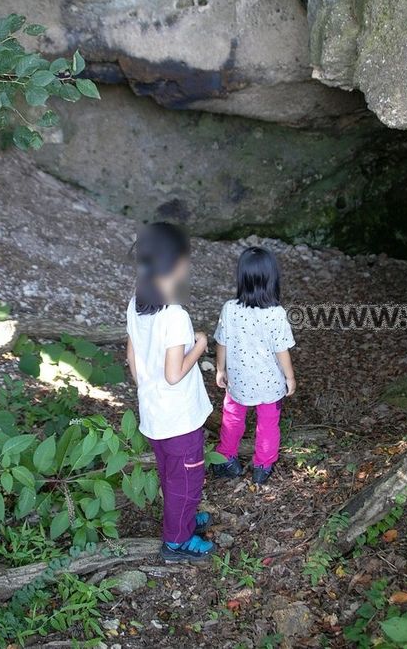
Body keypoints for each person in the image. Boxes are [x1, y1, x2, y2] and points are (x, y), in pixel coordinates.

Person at [125, 223, 215, 562]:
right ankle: (178, 540)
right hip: (179, 419)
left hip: (154, 413)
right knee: (187, 480)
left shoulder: (136, 305)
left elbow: (131, 356)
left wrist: (146, 387)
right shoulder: (175, 316)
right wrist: (201, 344)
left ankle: (183, 518)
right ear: (176, 263)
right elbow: (175, 373)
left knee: (170, 474)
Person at [212, 246, 296, 485]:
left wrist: (220, 369)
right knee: (268, 424)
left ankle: (227, 458)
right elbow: (282, 351)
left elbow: (222, 341)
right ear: (272, 278)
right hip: (270, 385)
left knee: (232, 419)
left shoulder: (230, 309)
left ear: (242, 277)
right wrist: (290, 378)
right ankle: (262, 466)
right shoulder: (276, 314)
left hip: (238, 381)